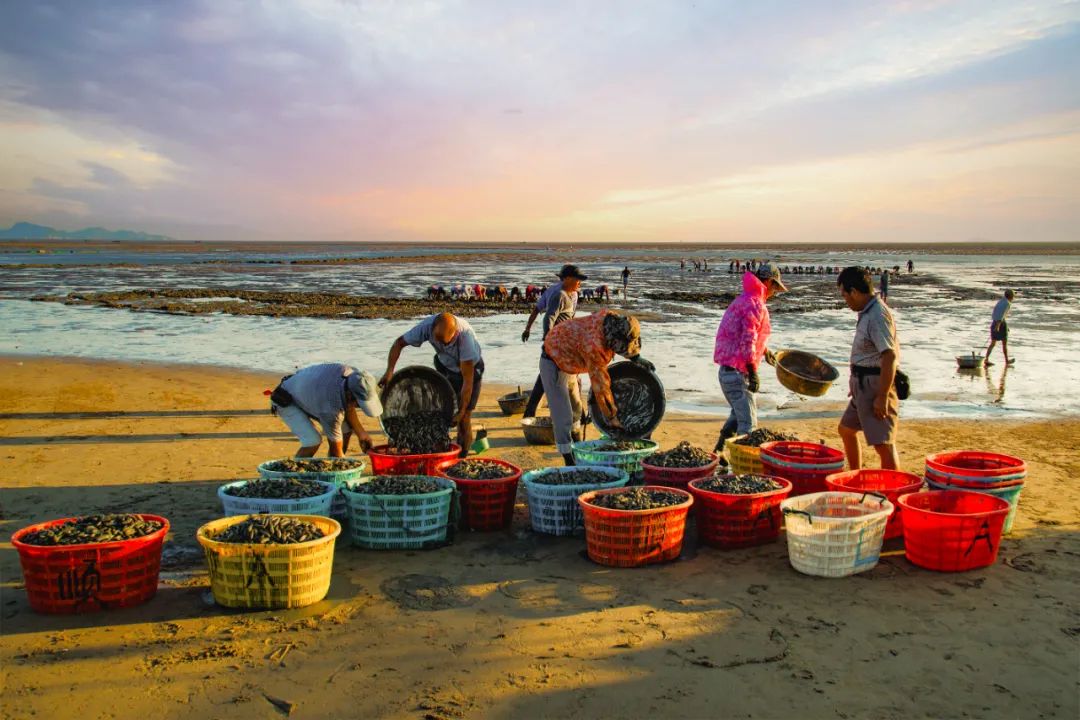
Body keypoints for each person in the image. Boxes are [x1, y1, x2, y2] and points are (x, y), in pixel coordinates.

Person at [543, 309, 653, 465]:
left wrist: (637, 358)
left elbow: (623, 340)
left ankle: (577, 447)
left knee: (575, 408)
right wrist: (612, 418)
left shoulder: (610, 319)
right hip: (553, 359)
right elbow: (601, 387)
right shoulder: (594, 347)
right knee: (563, 416)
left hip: (571, 355)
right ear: (615, 339)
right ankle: (569, 460)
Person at [381, 312, 483, 458]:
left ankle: (462, 456)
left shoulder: (465, 339)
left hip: (470, 369)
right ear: (433, 330)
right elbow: (399, 343)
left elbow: (467, 382)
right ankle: (438, 449)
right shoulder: (426, 327)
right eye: (439, 341)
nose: (443, 345)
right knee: (442, 410)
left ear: (455, 334)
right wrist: (389, 371)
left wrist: (460, 412)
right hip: (445, 365)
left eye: (447, 343)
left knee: (465, 417)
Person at [711, 262, 787, 457]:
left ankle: (719, 450)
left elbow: (744, 336)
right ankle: (743, 469)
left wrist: (765, 351)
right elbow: (747, 340)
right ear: (769, 282)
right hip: (738, 373)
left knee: (738, 413)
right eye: (775, 288)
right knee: (749, 425)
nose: (774, 293)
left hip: (727, 371)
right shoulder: (755, 304)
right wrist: (753, 373)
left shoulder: (744, 299)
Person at [837, 266, 900, 470]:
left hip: (875, 386)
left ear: (854, 291)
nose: (846, 301)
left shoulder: (877, 315)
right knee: (846, 429)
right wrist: (854, 381)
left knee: (883, 445)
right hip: (861, 386)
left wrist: (882, 396)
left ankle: (894, 492)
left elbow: (889, 356)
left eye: (845, 295)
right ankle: (856, 475)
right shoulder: (867, 311)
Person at [270, 363, 382, 458]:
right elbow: (335, 450)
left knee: (346, 430)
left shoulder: (354, 376)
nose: (359, 407)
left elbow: (349, 406)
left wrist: (361, 434)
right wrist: (343, 464)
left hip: (309, 391)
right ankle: (291, 474)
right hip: (285, 399)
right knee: (312, 441)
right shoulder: (330, 409)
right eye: (359, 404)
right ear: (349, 396)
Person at [521, 265, 586, 417]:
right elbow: (546, 316)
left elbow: (570, 318)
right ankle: (580, 414)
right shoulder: (557, 294)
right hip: (556, 344)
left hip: (565, 342)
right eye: (578, 280)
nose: (580, 283)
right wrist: (547, 338)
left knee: (548, 375)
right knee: (567, 375)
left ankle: (530, 411)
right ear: (567, 279)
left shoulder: (574, 294)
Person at [984, 289, 1016, 367]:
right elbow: (1002, 315)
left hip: (994, 322)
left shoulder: (1000, 301)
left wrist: (996, 324)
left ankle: (986, 359)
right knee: (1004, 343)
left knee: (992, 343)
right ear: (1011, 296)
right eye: (1013, 296)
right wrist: (998, 326)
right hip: (1000, 324)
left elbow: (995, 313)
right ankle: (1006, 361)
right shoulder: (1007, 303)